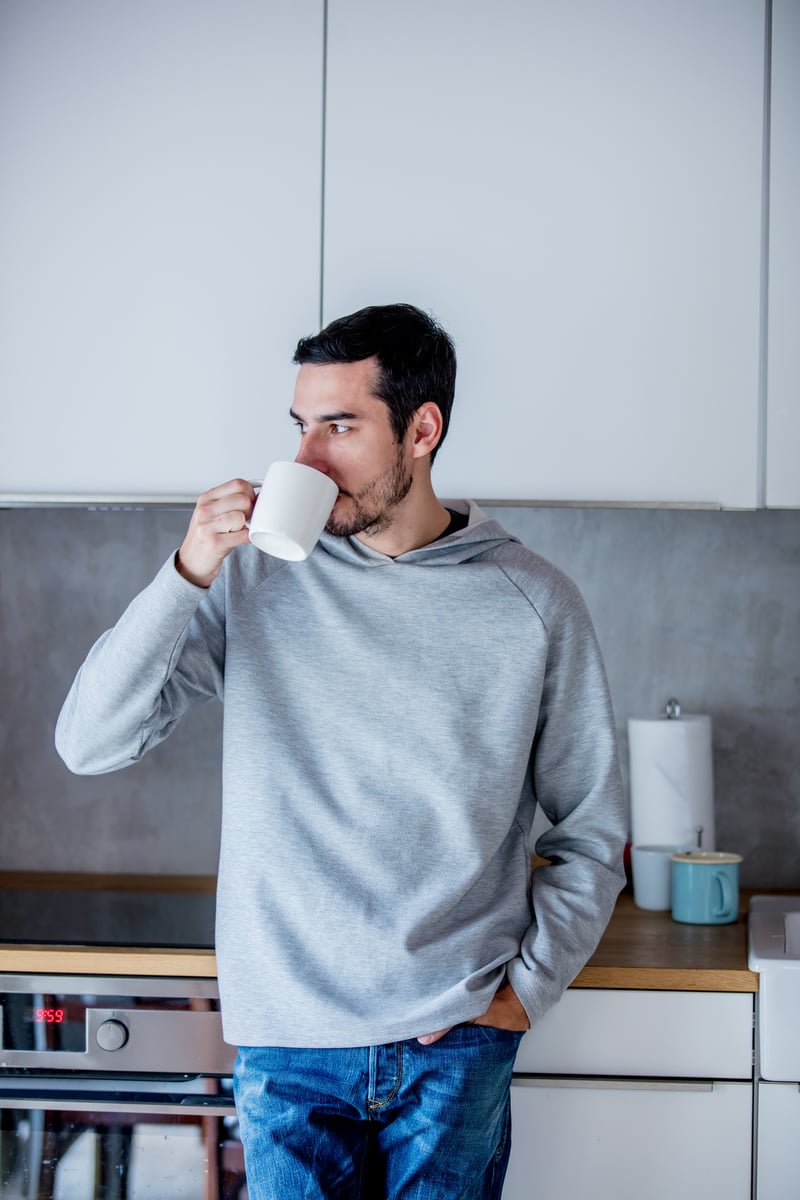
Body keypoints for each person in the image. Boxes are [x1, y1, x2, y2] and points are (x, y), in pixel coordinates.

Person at [56, 302, 626, 1199]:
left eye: (340, 426)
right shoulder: (251, 577)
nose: (306, 458)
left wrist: (523, 994)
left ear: (422, 430)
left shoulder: (534, 604)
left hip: (454, 1041)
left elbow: (593, 831)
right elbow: (89, 742)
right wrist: (186, 572)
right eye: (299, 426)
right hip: (288, 1043)